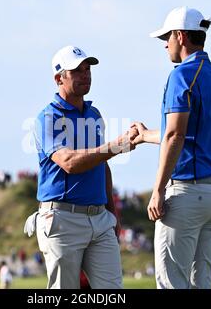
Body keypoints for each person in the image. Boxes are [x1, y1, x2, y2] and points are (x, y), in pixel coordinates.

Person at [131, 7, 211, 289]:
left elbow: (176, 135)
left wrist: (158, 189)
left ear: (180, 36)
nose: (165, 44)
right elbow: (182, 133)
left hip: (188, 193)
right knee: (201, 285)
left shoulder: (181, 75)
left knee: (172, 284)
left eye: (167, 37)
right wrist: (144, 136)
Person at [29, 45, 137, 289]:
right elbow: (69, 163)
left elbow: (102, 164)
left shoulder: (94, 114)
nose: (85, 75)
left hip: (100, 219)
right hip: (62, 219)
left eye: (87, 69)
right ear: (59, 78)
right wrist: (117, 145)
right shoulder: (48, 118)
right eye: (77, 71)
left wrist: (112, 211)